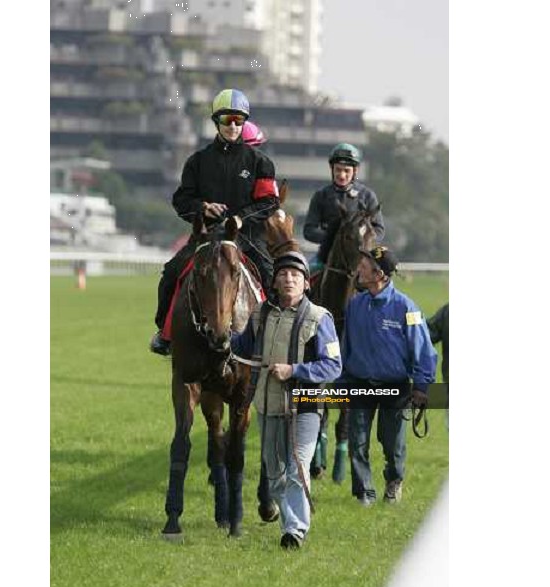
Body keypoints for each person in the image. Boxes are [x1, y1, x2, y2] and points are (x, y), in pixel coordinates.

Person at [150, 89, 279, 355]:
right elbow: (181, 200)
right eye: (227, 119)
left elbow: (269, 202)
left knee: (273, 277)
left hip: (246, 239)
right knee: (170, 273)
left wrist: (241, 218)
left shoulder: (261, 163)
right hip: (205, 237)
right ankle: (165, 333)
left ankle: (278, 339)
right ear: (216, 121)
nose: (233, 125)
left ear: (244, 123)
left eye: (238, 120)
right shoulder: (197, 162)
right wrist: (202, 208)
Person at [231, 252, 342, 549]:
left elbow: (333, 366)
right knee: (274, 472)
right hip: (267, 405)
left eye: (296, 275)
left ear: (306, 283)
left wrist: (294, 370)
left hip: (305, 406)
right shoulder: (260, 315)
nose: (289, 279)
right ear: (275, 282)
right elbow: (239, 346)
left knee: (297, 468)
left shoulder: (320, 318)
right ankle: (290, 522)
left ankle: (294, 530)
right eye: (283, 274)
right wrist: (216, 335)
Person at [339, 246, 437, 505]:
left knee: (392, 445)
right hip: (359, 384)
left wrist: (421, 388)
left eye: (364, 264)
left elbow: (424, 350)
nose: (359, 268)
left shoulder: (408, 307)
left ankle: (394, 481)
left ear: (379, 273)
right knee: (357, 442)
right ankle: (364, 492)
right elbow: (345, 347)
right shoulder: (354, 306)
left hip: (396, 388)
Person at [303, 143, 385, 269]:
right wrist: (334, 238)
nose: (342, 175)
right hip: (327, 255)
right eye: (338, 170)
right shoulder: (321, 195)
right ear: (332, 169)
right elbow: (308, 230)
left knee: (382, 275)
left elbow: (379, 230)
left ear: (355, 171)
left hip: (360, 255)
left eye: (346, 171)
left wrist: (358, 240)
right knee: (303, 278)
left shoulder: (367, 195)